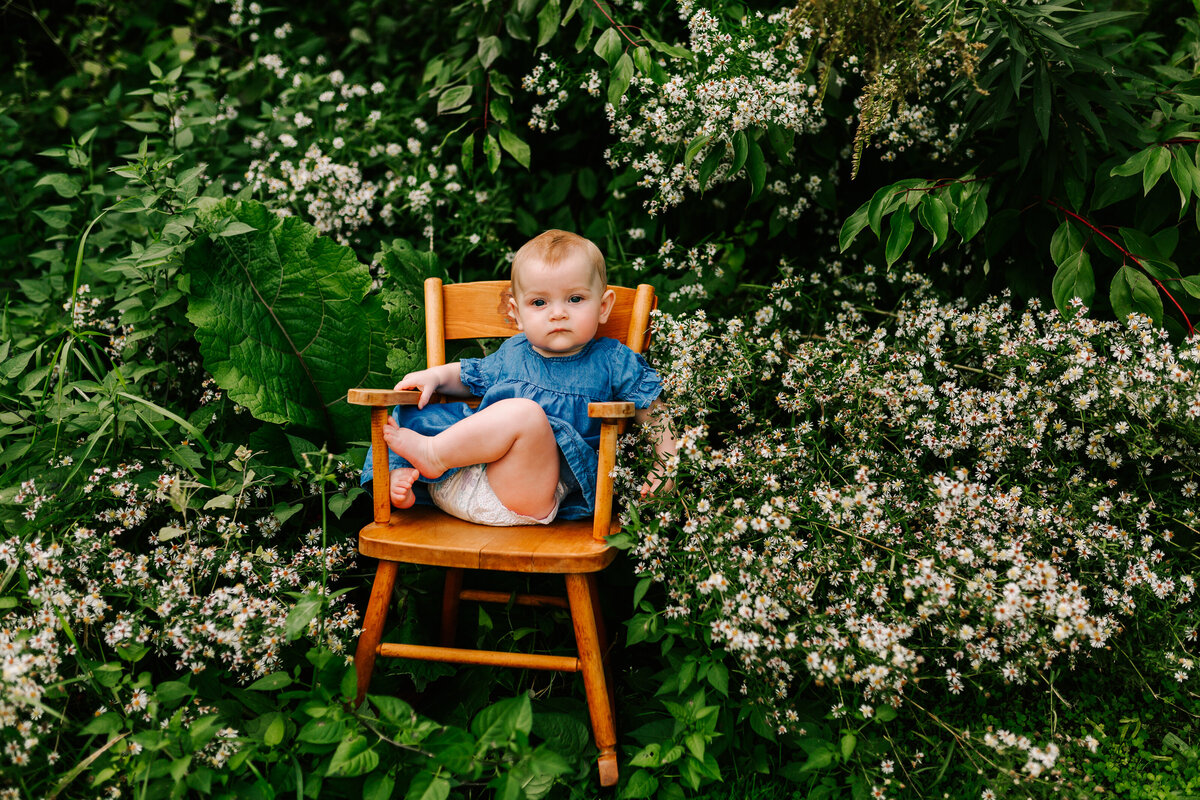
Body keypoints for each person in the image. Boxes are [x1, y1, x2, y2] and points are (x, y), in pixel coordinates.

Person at [366, 229, 676, 526]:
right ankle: (400, 476)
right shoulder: (513, 352)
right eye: (539, 303)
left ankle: (433, 453)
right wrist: (435, 375)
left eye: (575, 299)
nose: (558, 313)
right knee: (414, 409)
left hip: (528, 498)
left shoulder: (613, 361)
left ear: (604, 306)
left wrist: (667, 469)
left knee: (526, 413)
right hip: (460, 482)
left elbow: (656, 413)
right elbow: (470, 376)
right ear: (517, 314)